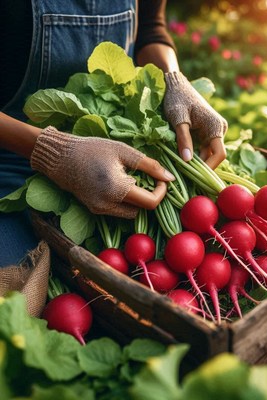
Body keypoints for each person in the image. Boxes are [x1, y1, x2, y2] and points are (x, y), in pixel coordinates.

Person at [0, 0, 228, 267]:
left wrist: (174, 80)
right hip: (10, 163)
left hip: (116, 166)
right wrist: (52, 149)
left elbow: (150, 29)